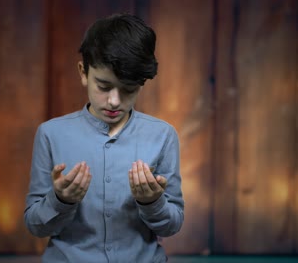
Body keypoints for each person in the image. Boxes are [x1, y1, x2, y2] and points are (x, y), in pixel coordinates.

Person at [24, 13, 184, 263]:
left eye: (129, 89)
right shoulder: (50, 134)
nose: (114, 101)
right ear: (83, 72)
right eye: (104, 86)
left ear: (141, 84)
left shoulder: (163, 136)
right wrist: (60, 200)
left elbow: (171, 226)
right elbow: (35, 226)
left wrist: (152, 201)